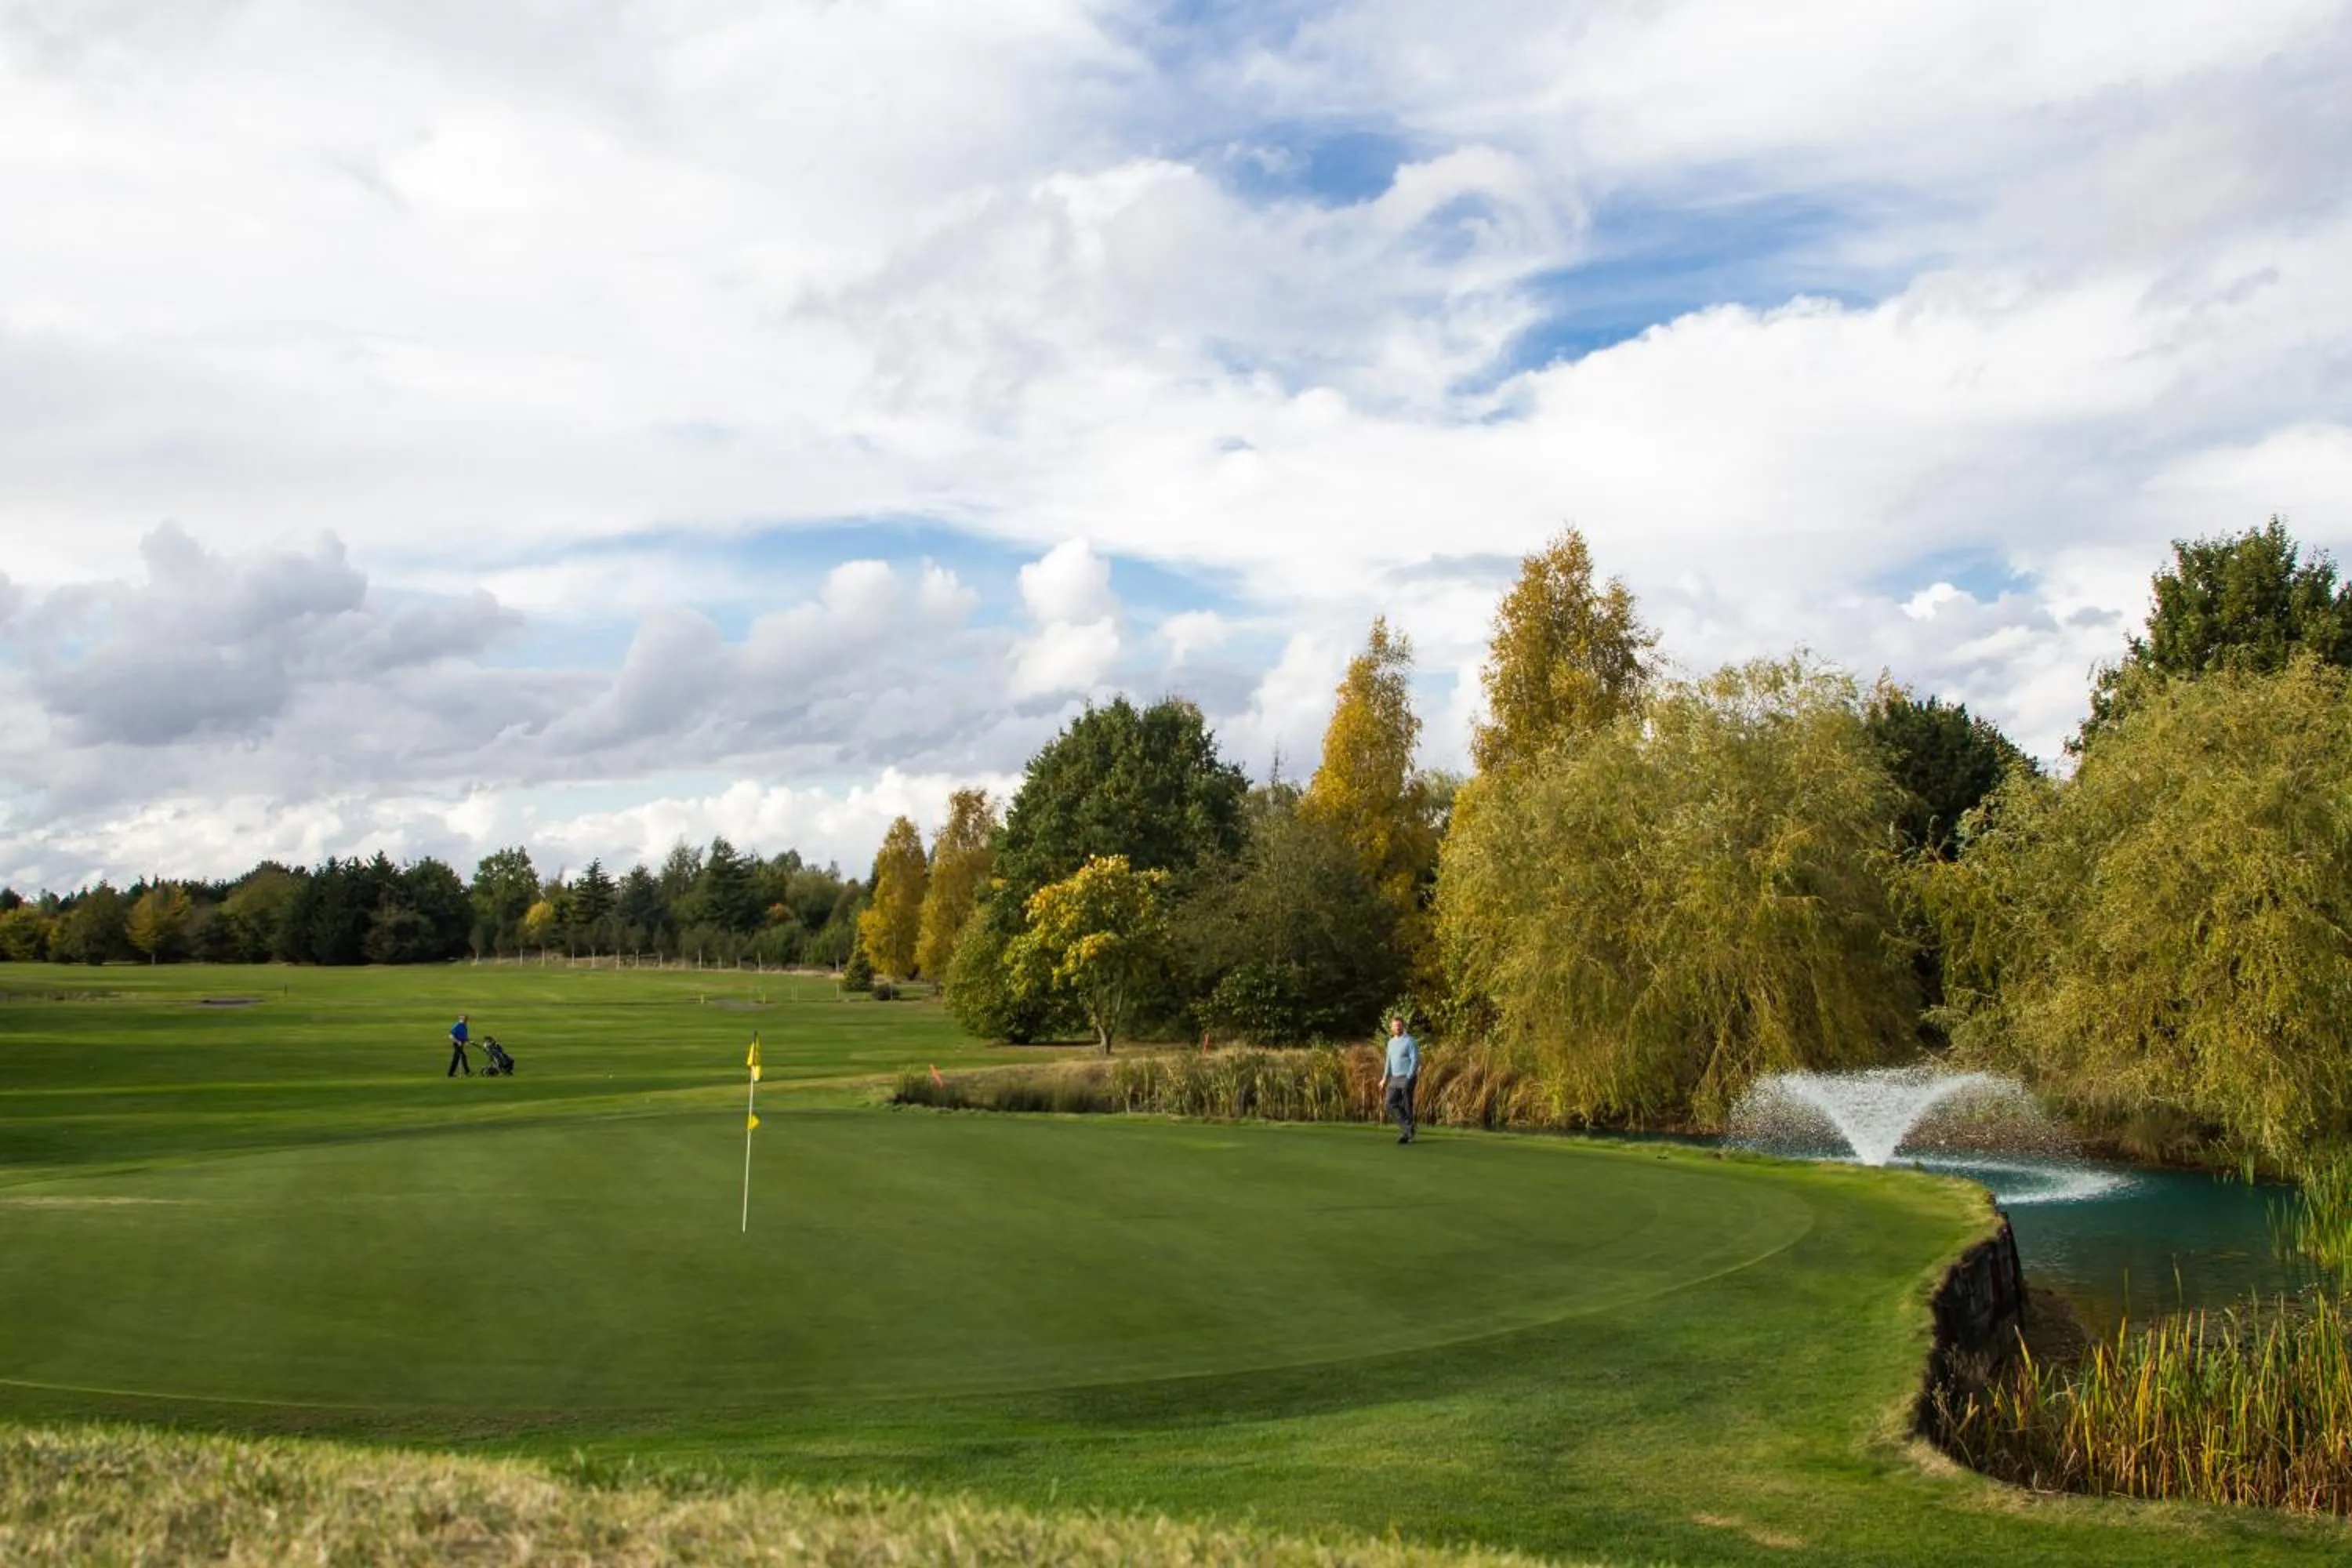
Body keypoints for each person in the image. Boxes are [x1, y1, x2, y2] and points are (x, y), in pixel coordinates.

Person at [1379, 1015, 1419, 1144]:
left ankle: (1408, 1134)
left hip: (1407, 1076)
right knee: (1390, 1103)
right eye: (1395, 1026)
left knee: (1407, 1104)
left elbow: (1415, 1060)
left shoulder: (1410, 1041)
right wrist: (1384, 1079)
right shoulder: (1390, 1043)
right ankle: (1408, 1128)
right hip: (1395, 1078)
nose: (1397, 1028)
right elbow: (1388, 1062)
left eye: (1399, 1025)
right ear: (1391, 1028)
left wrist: (1409, 1076)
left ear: (1403, 1026)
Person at [447, 1013, 472, 1077]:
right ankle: (467, 1072)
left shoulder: (464, 1026)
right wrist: (457, 1041)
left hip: (462, 1044)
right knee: (463, 1056)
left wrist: (468, 1040)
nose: (465, 1021)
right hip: (457, 1044)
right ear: (460, 1019)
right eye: (464, 1019)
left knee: (456, 1059)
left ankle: (450, 1073)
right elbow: (450, 1036)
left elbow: (464, 1035)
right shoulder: (457, 1026)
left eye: (466, 1019)